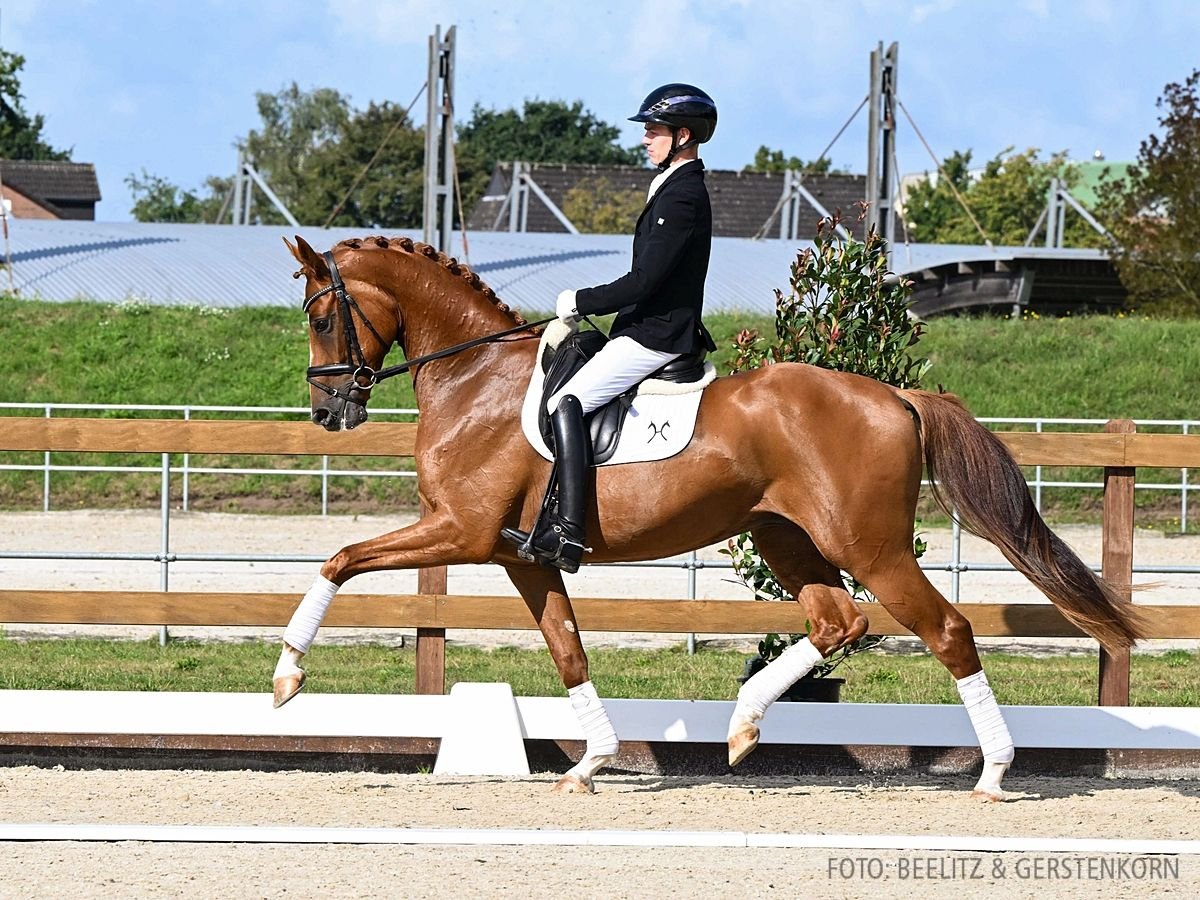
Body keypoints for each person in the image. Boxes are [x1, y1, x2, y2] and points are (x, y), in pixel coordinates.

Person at [501, 83, 718, 573]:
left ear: (683, 136)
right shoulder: (671, 185)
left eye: (654, 130)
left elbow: (645, 280)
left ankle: (567, 531)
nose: (645, 137)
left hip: (657, 334)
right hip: (643, 325)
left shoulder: (683, 195)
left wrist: (580, 300)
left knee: (565, 402)